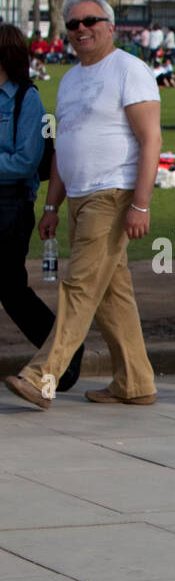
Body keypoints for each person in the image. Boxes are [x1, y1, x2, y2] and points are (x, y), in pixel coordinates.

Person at [4, 0, 159, 410]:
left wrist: (141, 204)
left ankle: (42, 376)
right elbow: (64, 148)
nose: (81, 30)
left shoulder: (130, 70)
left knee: (79, 286)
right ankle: (135, 381)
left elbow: (151, 141)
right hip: (78, 198)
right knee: (111, 296)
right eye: (73, 24)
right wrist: (52, 206)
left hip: (114, 195)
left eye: (90, 21)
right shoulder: (71, 79)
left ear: (110, 26)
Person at [0, 24, 82, 394]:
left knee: (12, 290)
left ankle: (65, 360)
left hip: (10, 205)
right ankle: (63, 360)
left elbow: (26, 161)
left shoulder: (24, 100)